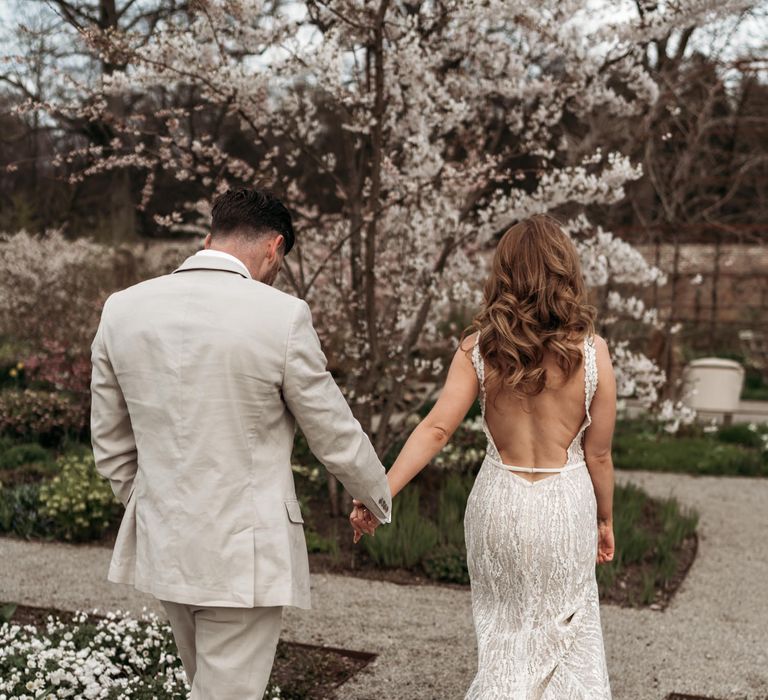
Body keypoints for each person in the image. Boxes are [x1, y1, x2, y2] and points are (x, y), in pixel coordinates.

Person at [90, 188, 390, 699]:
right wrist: (376, 496)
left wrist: (156, 506)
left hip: (166, 544)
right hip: (244, 553)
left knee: (206, 686)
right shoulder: (282, 316)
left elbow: (111, 444)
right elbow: (333, 433)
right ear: (274, 248)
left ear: (209, 237)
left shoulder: (122, 309)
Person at [351, 214, 615, 698]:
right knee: (569, 642)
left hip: (499, 505)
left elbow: (435, 428)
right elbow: (599, 456)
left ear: (505, 274)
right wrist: (605, 520)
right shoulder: (592, 353)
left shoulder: (479, 349)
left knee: (506, 644)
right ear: (564, 271)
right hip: (565, 506)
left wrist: (378, 494)